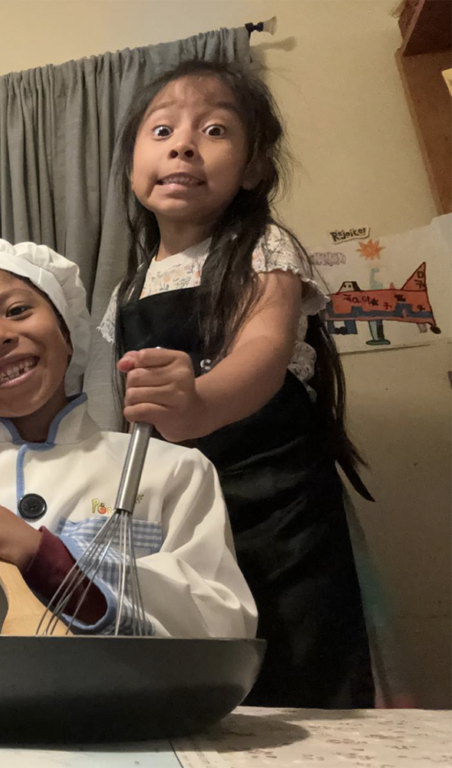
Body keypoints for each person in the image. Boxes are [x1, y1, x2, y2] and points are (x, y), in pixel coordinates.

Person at [96, 60, 373, 707]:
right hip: (179, 508)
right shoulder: (127, 290)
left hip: (278, 500)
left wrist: (198, 403)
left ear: (253, 168)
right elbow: (121, 417)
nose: (183, 144)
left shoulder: (265, 248)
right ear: (133, 165)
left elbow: (264, 354)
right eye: (161, 130)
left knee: (300, 653)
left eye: (214, 130)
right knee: (197, 655)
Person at [0, 238, 257, 638]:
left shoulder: (172, 471)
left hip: (119, 706)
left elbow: (222, 622)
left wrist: (46, 559)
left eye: (17, 310)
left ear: (67, 333)